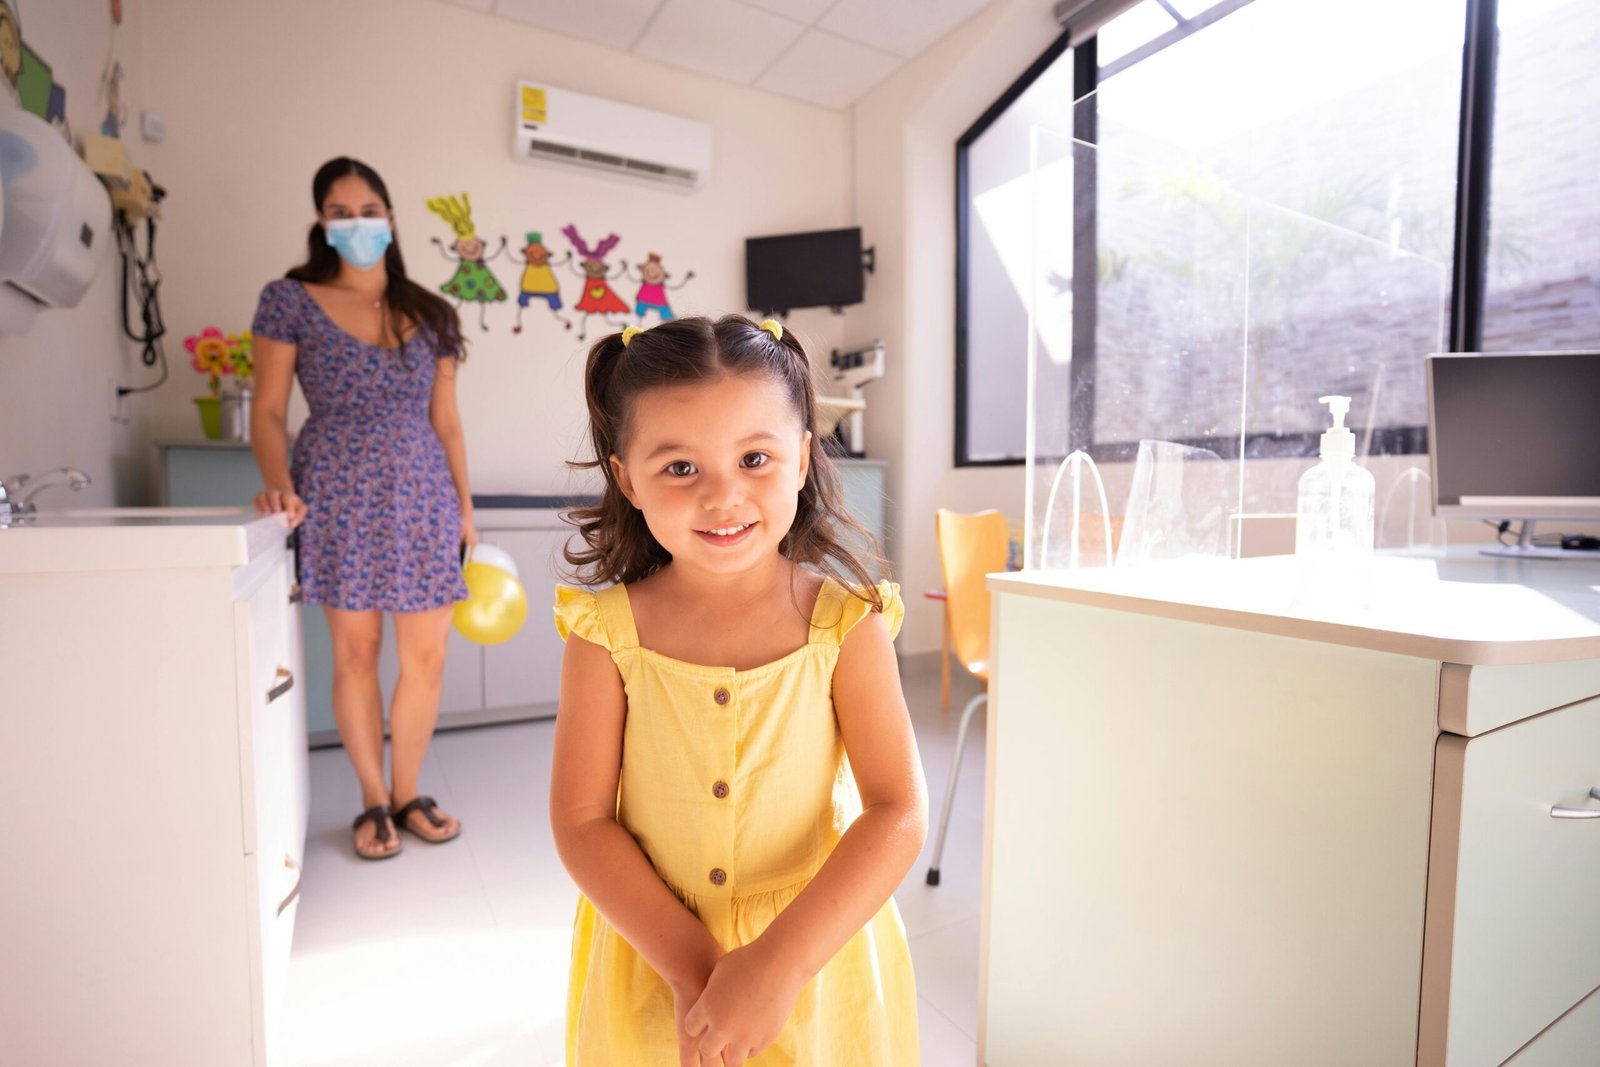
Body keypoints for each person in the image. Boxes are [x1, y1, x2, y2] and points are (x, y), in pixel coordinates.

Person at [550, 315, 926, 1065]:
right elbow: (582, 821)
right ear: (626, 477)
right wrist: (699, 976)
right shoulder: (604, 633)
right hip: (654, 966)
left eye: (755, 457)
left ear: (802, 459)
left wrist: (776, 968)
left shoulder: (848, 623)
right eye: (681, 468)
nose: (724, 497)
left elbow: (899, 809)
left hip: (816, 962)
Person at [250, 157, 475, 861]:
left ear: (391, 216)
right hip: (337, 488)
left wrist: (465, 508)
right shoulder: (289, 300)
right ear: (322, 221)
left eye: (369, 208)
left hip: (422, 493)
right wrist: (278, 480)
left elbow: (448, 422)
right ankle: (373, 798)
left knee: (427, 655)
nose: (357, 222)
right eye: (341, 212)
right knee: (356, 652)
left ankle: (409, 793)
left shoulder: (434, 312)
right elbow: (267, 409)